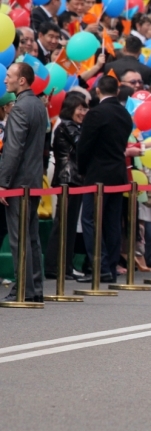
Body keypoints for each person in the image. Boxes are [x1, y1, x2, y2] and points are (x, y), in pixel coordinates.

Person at [76, 76, 134, 283]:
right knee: (112, 222)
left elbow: (84, 146)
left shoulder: (96, 113)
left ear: (98, 90)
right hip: (118, 173)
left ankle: (99, 267)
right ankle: (110, 267)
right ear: (117, 92)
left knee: (90, 219)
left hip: (97, 174)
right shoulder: (125, 114)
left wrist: (82, 169)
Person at [0, 63, 48, 302]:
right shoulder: (39, 105)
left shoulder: (19, 108)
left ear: (22, 81)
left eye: (9, 76)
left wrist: (3, 182)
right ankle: (35, 288)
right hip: (34, 178)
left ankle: (24, 290)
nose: (5, 79)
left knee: (19, 238)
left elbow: (13, 149)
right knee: (31, 236)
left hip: (19, 182)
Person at [45, 94, 89, 279]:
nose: (83, 112)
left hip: (73, 179)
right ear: (70, 108)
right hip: (68, 178)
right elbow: (82, 145)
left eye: (84, 109)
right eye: (79, 108)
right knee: (63, 224)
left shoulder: (72, 125)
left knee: (68, 225)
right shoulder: (67, 125)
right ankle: (55, 266)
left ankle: (65, 265)